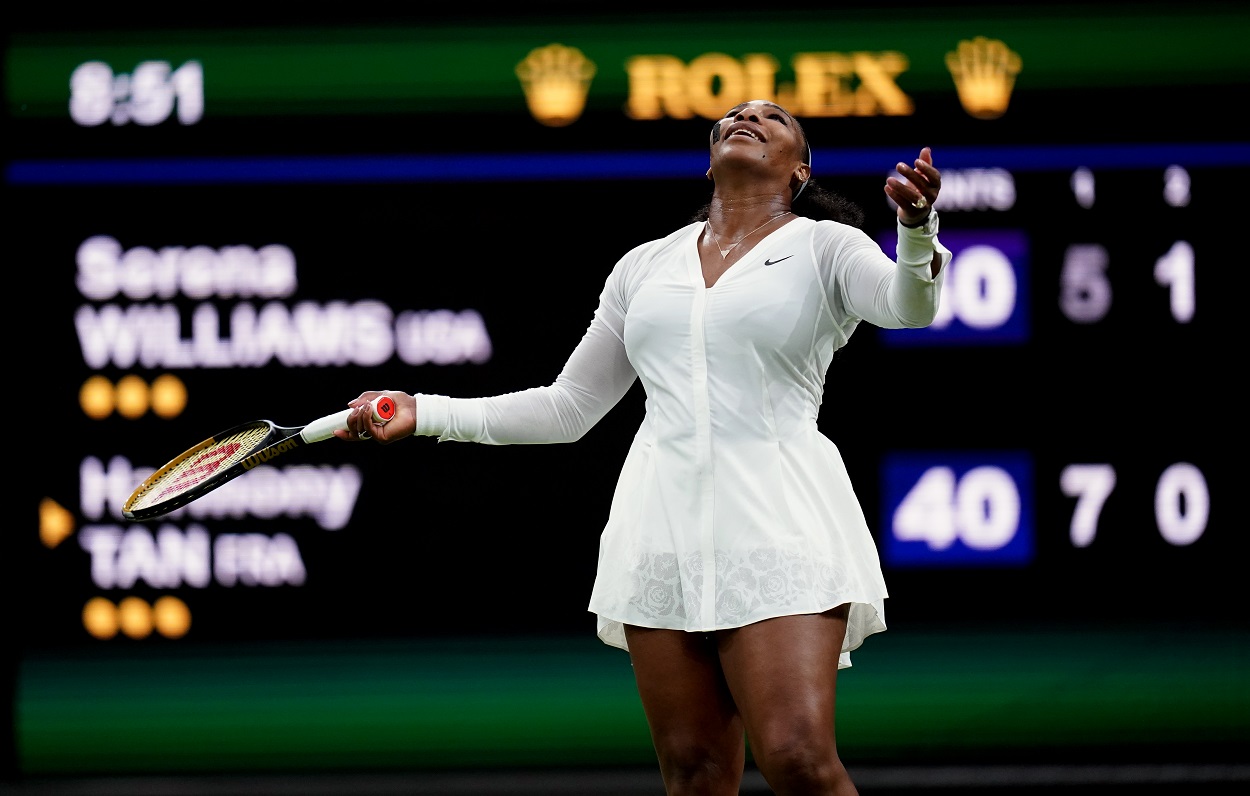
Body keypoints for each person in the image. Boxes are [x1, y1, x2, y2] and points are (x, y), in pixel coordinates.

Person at [337, 99, 949, 796]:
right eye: (730, 118)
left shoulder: (825, 247)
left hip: (783, 525)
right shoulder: (643, 267)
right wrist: (427, 412)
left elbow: (911, 307)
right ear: (710, 157)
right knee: (694, 776)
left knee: (799, 761)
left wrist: (916, 228)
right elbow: (568, 407)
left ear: (799, 169)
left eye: (771, 119)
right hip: (659, 534)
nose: (744, 119)